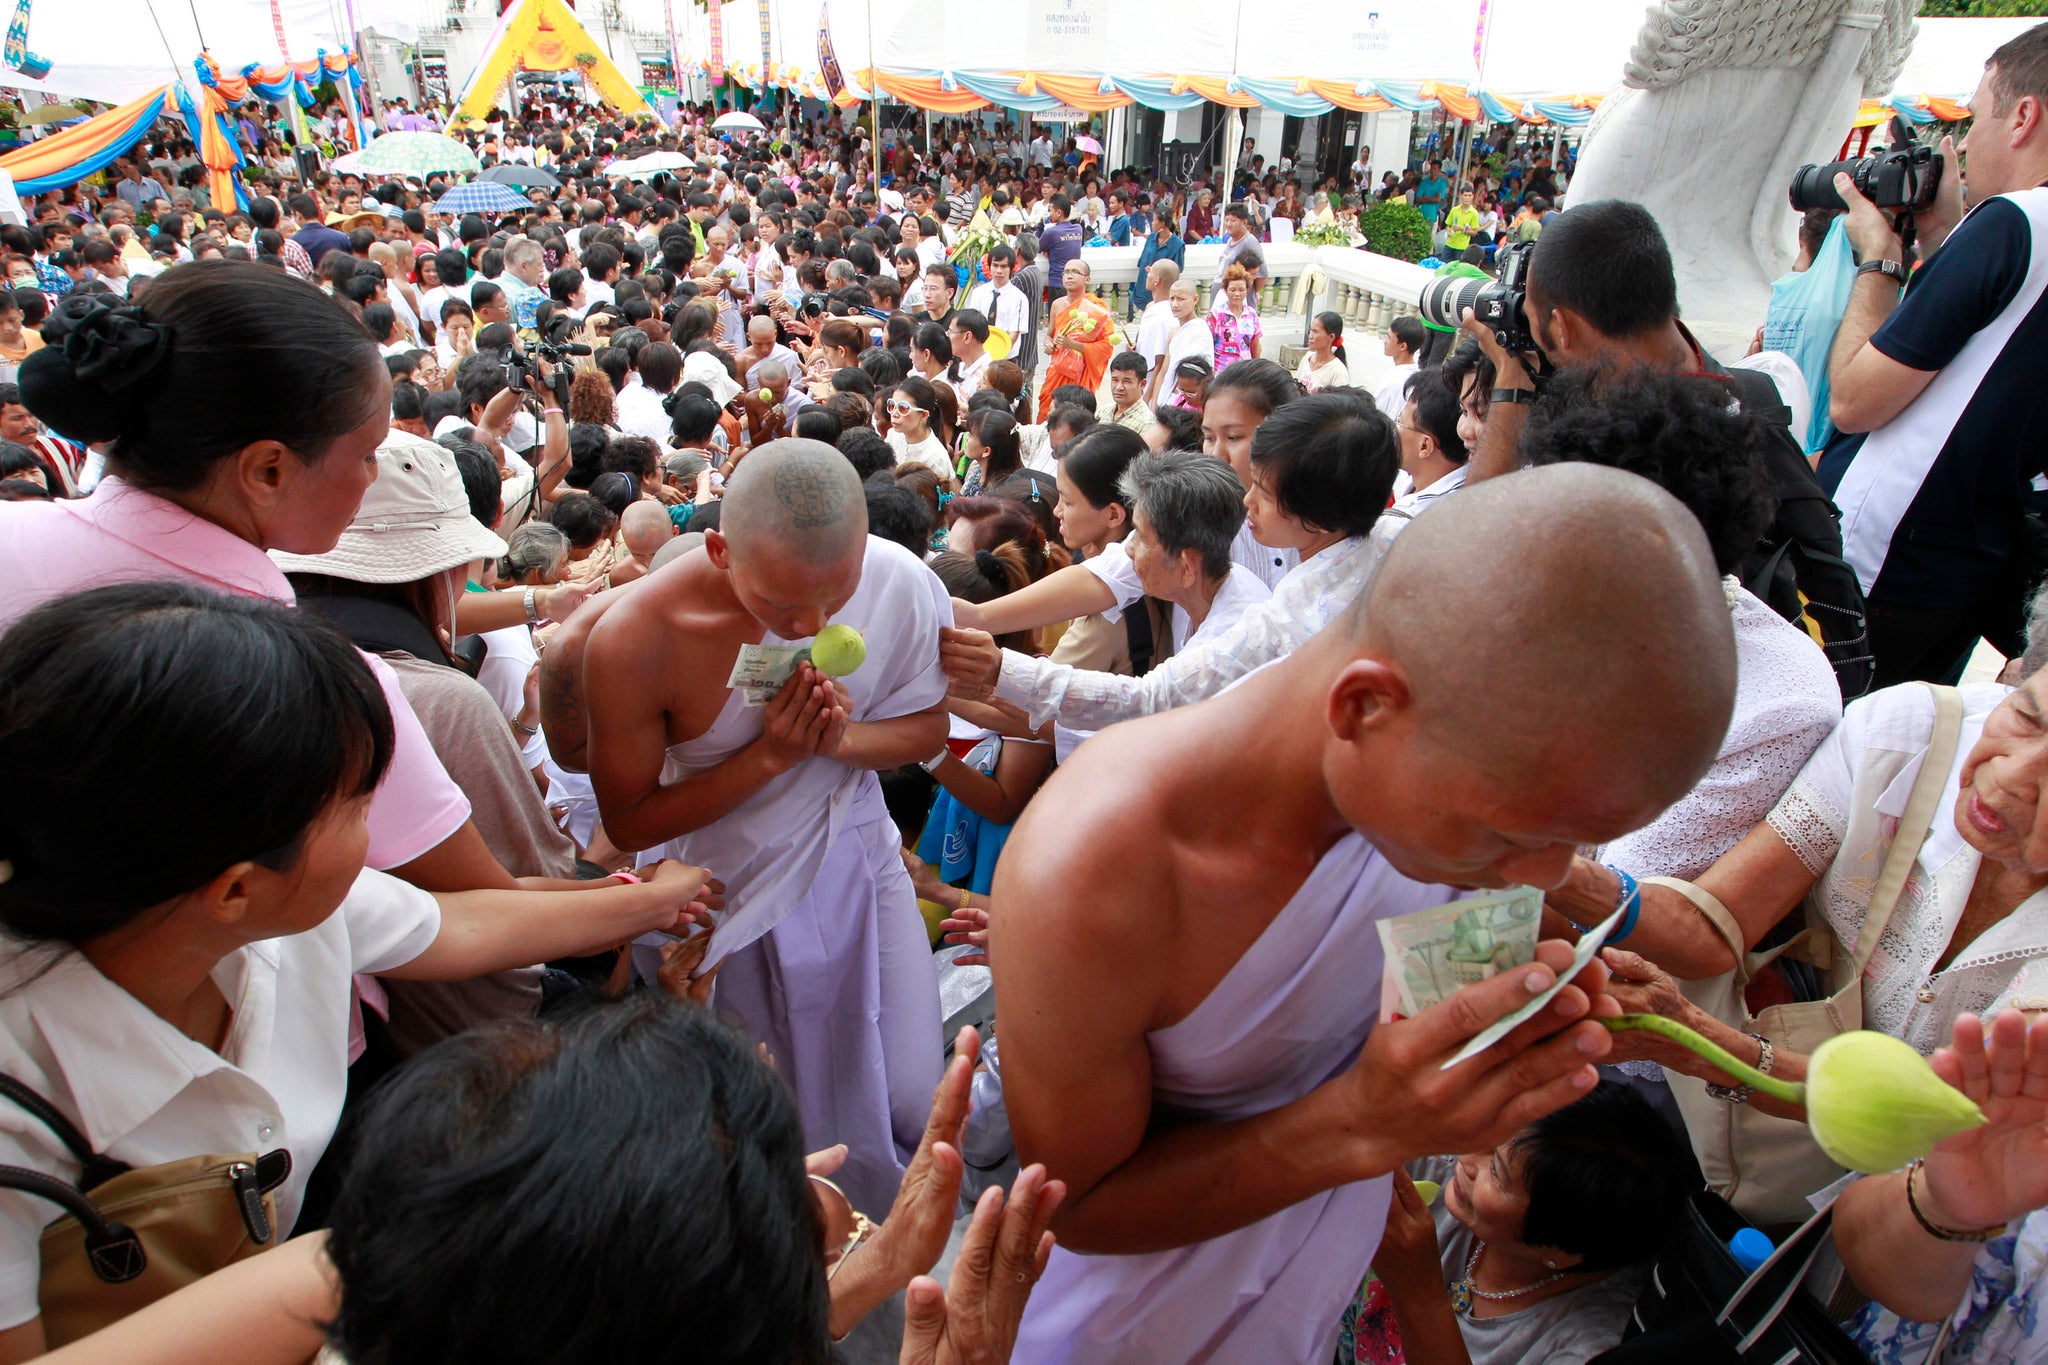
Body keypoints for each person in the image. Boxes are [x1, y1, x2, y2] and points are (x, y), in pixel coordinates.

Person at [991, 465, 1736, 1364]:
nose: (1548, 876)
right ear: (1365, 706)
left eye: (1578, 841)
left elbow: (1424, 993)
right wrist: (1366, 1124)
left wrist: (1526, 1010)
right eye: (1523, 831)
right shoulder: (1101, 863)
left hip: (1316, 1295)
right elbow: (1081, 1204)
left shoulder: (1458, 793)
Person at [0, 583, 716, 1355]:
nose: (376, 830)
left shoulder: (268, 913)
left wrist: (647, 901)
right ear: (236, 886)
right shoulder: (21, 1090)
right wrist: (377, 1257)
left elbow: (461, 922)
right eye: (355, 806)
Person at [579, 440, 952, 1215]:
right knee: (773, 1109)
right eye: (783, 605)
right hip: (721, 883)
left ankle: (886, 1251)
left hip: (853, 849)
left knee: (906, 1089)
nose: (811, 623)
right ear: (720, 549)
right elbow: (629, 817)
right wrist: (770, 759)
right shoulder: (636, 637)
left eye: (835, 596)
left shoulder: (899, 581)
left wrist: (837, 741)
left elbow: (927, 729)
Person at [941, 392, 1398, 737]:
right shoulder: (1383, 538)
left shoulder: (1278, 628)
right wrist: (980, 617)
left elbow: (1149, 700)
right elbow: (1112, 572)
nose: (1247, 499)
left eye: (1263, 489)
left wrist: (1001, 670)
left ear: (1316, 511)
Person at [1821, 22, 2048, 688]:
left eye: (1977, 117)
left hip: (1881, 564)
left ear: (2024, 118)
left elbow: (1854, 399)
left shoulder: (2014, 222)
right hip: (1970, 570)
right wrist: (1945, 235)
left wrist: (1881, 257)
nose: (1965, 143)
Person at [1363, 1084, 1699, 1365]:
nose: (1467, 1157)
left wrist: (1419, 1296)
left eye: (1496, 1172)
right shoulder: (1441, 1172)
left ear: (1562, 1249)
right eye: (1492, 1130)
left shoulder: (1585, 1346)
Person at [1039, 260, 1114, 423]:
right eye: (1066, 272)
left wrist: (1073, 345)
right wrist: (1048, 344)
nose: (1069, 276)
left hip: (1079, 374)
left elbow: (1106, 347)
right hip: (1057, 370)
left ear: (1087, 279)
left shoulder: (1096, 308)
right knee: (1047, 413)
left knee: (1076, 417)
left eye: (1075, 272)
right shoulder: (1057, 304)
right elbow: (1050, 334)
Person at [1392, 368, 1469, 516]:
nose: (1394, 430)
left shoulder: (1423, 517)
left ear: (1424, 446)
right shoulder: (1409, 481)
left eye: (1400, 423)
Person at [1146, 281, 1212, 410]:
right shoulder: (1173, 333)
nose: (1175, 304)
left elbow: (1200, 374)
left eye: (1181, 299)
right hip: (1166, 399)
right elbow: (1164, 372)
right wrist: (1154, 406)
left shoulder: (1201, 331)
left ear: (1195, 299)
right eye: (1172, 298)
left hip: (1188, 403)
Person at [885, 374, 954, 485]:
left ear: (923, 415)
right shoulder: (893, 435)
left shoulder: (936, 458)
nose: (894, 414)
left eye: (903, 408)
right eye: (892, 405)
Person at [1207, 263, 1262, 371]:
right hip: (1221, 372)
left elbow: (1255, 345)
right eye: (1232, 290)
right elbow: (1208, 344)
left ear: (1247, 290)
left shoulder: (1252, 314)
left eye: (1241, 290)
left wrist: (1257, 370)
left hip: (1244, 372)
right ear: (1225, 290)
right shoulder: (1216, 315)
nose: (1237, 294)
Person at [1131, 211, 1184, 314]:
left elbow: (1177, 270)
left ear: (1162, 223)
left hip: (1161, 294)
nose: (1152, 222)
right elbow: (1142, 260)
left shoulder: (1177, 245)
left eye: (1155, 220)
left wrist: (1158, 271)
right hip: (1143, 288)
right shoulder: (1151, 238)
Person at [1375, 315, 1424, 419]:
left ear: (1402, 346)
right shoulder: (1417, 376)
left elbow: (1377, 414)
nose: (1385, 341)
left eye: (1389, 337)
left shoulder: (1393, 380)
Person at [1297, 310, 1349, 394]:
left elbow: (1338, 403)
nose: (1310, 336)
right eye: (1311, 330)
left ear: (1331, 337)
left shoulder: (1338, 371)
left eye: (1315, 331)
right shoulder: (1307, 357)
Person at [1104, 352, 1151, 434]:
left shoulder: (1146, 424)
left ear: (1142, 384)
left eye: (1126, 381)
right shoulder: (1103, 411)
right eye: (1115, 380)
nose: (1119, 387)